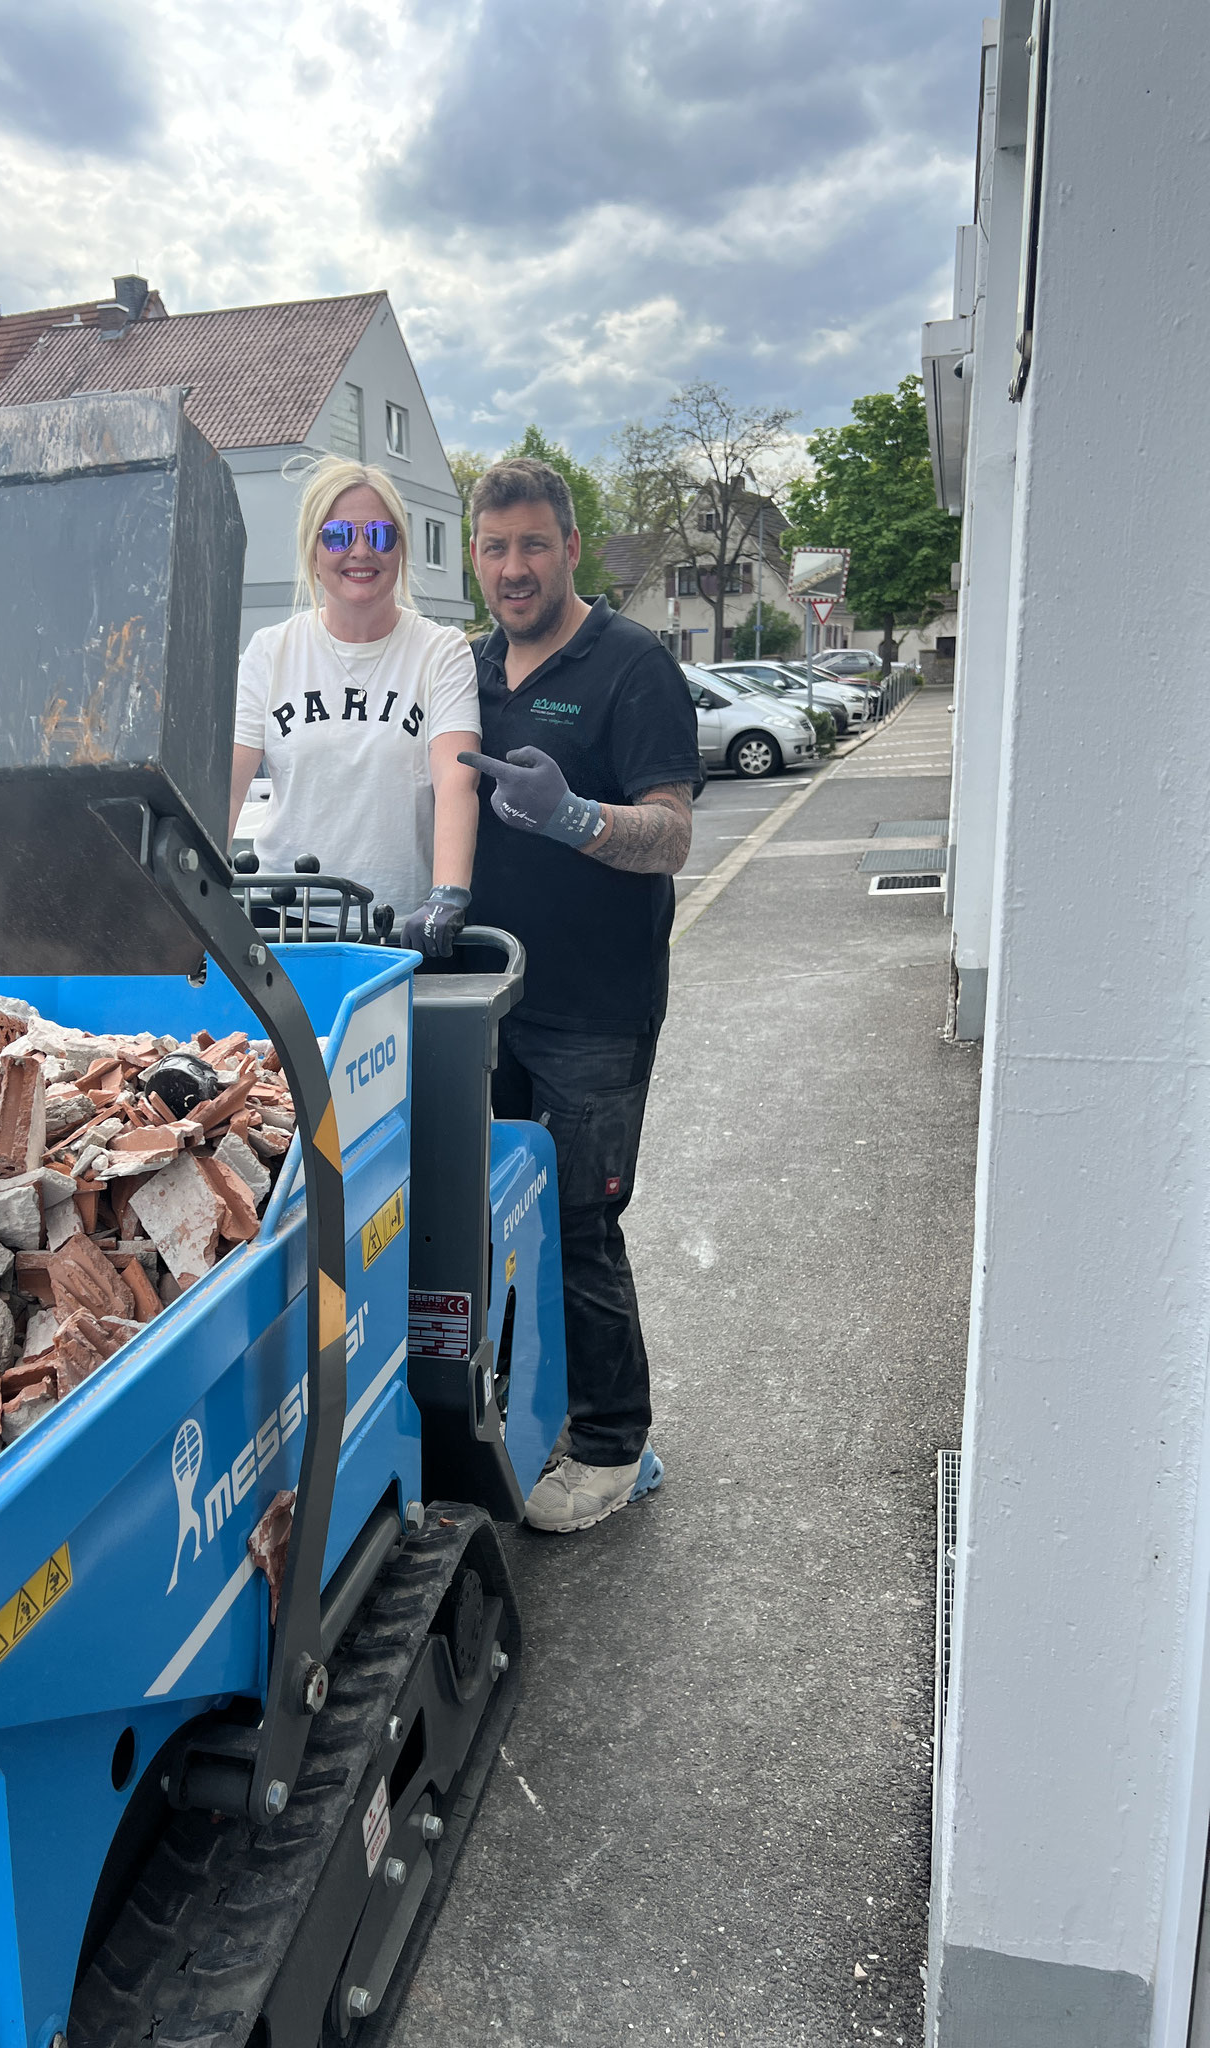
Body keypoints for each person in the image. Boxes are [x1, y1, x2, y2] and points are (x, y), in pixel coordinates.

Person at [459, 456, 703, 1534]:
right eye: (495, 547)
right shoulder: (467, 669)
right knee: (496, 1220)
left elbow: (673, 834)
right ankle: (537, 1407)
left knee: (581, 1220)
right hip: (480, 998)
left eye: (533, 545)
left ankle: (615, 1444)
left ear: (569, 547)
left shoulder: (632, 663)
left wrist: (577, 817)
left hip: (595, 1007)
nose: (515, 568)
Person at [230, 457, 480, 956]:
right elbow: (225, 787)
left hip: (402, 926)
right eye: (339, 534)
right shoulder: (270, 651)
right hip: (283, 923)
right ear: (314, 549)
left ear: (401, 549)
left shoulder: (441, 652)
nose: (360, 551)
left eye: (382, 535)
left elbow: (458, 782)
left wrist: (448, 893)